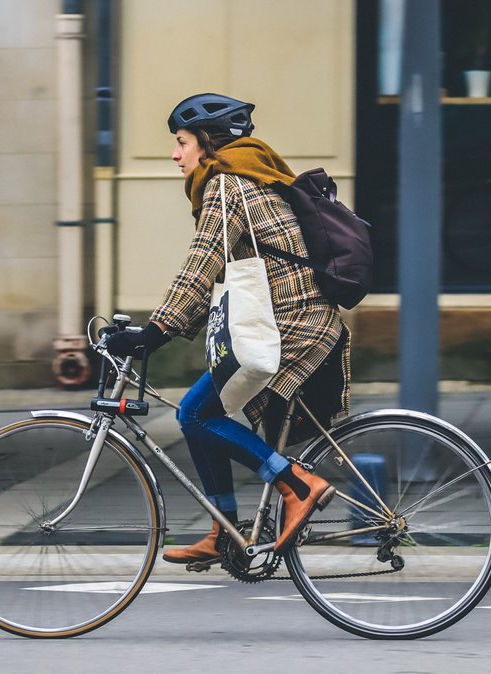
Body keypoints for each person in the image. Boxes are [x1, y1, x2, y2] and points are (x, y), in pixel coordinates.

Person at [106, 93, 352, 564]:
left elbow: (200, 266)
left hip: (292, 327)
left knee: (195, 414)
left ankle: (297, 486)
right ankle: (225, 532)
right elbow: (220, 278)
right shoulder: (247, 176)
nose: (175, 155)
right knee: (199, 417)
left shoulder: (226, 184)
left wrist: (152, 333)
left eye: (182, 143)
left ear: (206, 142)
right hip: (291, 323)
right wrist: (161, 330)